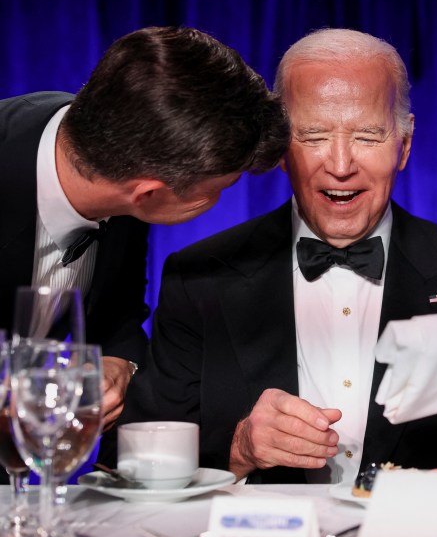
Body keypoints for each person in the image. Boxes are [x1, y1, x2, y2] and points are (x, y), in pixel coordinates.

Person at [121, 28, 437, 484]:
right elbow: (137, 455)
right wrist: (238, 448)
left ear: (405, 145)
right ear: (279, 146)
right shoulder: (199, 275)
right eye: (315, 136)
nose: (340, 165)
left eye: (367, 136)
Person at [0, 26, 288, 430]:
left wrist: (119, 363)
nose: (217, 203)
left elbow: (118, 320)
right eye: (220, 189)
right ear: (148, 194)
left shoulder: (124, 154)